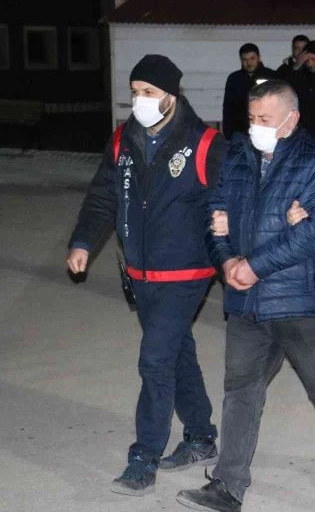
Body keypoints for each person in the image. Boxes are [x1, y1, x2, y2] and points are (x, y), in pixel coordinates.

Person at [175, 80, 315, 512]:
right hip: (246, 298)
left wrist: (253, 265)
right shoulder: (238, 155)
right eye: (251, 118)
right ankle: (228, 485)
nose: (255, 127)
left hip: (301, 297)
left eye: (265, 119)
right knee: (240, 387)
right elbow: (215, 215)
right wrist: (227, 261)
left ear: (291, 119)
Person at [66, 54, 227, 495]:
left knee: (154, 359)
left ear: (171, 96)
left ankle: (144, 458)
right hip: (139, 269)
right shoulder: (124, 139)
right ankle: (201, 437)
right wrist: (83, 241)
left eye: (149, 92)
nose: (140, 99)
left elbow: (230, 199)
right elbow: (104, 195)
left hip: (186, 270)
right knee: (177, 352)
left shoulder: (206, 143)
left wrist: (233, 252)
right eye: (135, 92)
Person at [222, 43, 279, 139]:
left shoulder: (271, 76)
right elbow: (228, 107)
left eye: (252, 58)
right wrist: (228, 133)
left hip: (265, 130)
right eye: (245, 60)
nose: (249, 63)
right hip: (240, 131)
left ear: (259, 58)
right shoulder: (234, 79)